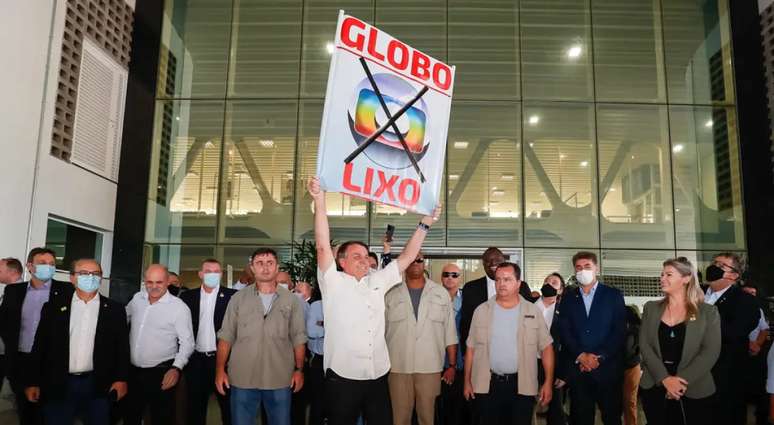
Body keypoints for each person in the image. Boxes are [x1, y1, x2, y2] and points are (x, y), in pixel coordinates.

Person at [308, 176, 439, 425]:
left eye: (366, 255)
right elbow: (323, 245)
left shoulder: (378, 280)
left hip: (378, 375)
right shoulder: (332, 282)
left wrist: (426, 221)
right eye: (355, 255)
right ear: (341, 261)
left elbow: (409, 256)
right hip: (343, 378)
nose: (363, 259)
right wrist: (320, 200)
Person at [24, 258, 129, 425]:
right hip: (59, 382)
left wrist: (121, 379)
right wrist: (32, 381)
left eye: (95, 273)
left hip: (98, 384)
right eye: (84, 273)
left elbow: (122, 348)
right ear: (72, 278)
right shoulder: (53, 307)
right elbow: (40, 346)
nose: (91, 277)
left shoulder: (115, 309)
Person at [215, 248, 307, 425]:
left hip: (280, 378)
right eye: (260, 263)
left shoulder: (291, 300)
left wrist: (299, 370)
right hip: (242, 378)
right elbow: (226, 337)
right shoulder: (238, 299)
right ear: (252, 268)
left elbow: (298, 338)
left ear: (277, 267)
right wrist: (220, 370)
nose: (265, 267)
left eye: (270, 263)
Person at [463, 262, 554, 425]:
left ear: (518, 283)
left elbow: (546, 347)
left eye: (507, 279)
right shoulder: (481, 310)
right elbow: (471, 348)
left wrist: (548, 382)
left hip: (522, 385)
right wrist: (467, 381)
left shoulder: (532, 311)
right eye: (498, 280)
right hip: (487, 385)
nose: (501, 284)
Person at [639, 257, 721, 425]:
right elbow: (645, 346)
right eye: (662, 274)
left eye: (668, 274)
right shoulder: (650, 308)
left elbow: (710, 351)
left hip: (695, 388)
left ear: (686, 278)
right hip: (654, 387)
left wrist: (679, 382)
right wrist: (665, 379)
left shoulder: (708, 312)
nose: (662, 278)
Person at [384, 251, 458, 425]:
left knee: (428, 418)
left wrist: (452, 365)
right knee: (399, 419)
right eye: (412, 260)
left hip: (430, 368)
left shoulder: (440, 294)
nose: (416, 263)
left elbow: (450, 332)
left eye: (420, 260)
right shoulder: (390, 294)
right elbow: (380, 332)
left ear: (424, 264)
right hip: (397, 367)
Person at [0, 247, 72, 425]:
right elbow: (4, 324)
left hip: (52, 362)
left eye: (52, 264)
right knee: (26, 412)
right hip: (21, 360)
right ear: (30, 266)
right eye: (42, 263)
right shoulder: (14, 292)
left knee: (51, 413)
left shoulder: (66, 291)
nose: (48, 267)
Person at [558, 251, 626, 425]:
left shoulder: (613, 295)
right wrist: (581, 356)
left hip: (608, 370)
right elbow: (565, 332)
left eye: (587, 266)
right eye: (578, 267)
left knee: (612, 417)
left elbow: (618, 331)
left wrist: (600, 357)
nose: (582, 270)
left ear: (597, 268)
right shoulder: (567, 298)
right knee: (580, 418)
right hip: (578, 372)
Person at [123, 264, 195, 425]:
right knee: (130, 416)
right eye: (149, 282)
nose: (154, 287)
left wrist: (176, 368)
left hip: (161, 373)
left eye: (159, 282)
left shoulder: (179, 308)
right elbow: (122, 320)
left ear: (168, 281)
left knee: (161, 418)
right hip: (133, 373)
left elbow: (188, 343)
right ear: (144, 281)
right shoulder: (137, 299)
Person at [704, 252, 759, 425]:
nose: (713, 267)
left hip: (725, 383)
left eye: (721, 266)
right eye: (714, 263)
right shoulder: (695, 295)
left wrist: (702, 314)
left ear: (734, 275)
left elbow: (733, 333)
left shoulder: (745, 301)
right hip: (691, 380)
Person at [179, 258, 237, 425]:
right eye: (208, 271)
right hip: (196, 360)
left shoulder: (233, 297)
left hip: (224, 361)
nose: (212, 275)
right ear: (200, 274)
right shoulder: (188, 297)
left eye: (216, 271)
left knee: (228, 408)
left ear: (221, 274)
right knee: (195, 408)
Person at [460, 247, 534, 360]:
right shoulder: (470, 288)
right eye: (488, 260)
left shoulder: (521, 286)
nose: (493, 262)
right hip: (480, 353)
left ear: (504, 261)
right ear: (483, 264)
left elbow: (529, 319)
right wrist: (465, 352)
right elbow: (466, 322)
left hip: (515, 351)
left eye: (497, 259)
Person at [535, 272, 567, 425]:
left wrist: (564, 373)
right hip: (529, 363)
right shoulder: (529, 305)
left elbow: (567, 342)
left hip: (554, 365)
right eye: (546, 281)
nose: (548, 284)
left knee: (555, 408)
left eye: (554, 282)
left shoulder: (565, 311)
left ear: (560, 290)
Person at [439, 263, 468, 425]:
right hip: (435, 362)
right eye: (446, 274)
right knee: (439, 408)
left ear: (460, 278)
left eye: (454, 275)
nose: (450, 278)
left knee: (457, 408)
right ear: (441, 277)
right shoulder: (432, 298)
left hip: (459, 363)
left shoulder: (466, 300)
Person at [742, 284, 770, 425]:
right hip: (740, 354)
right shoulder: (735, 310)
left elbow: (764, 329)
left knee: (761, 388)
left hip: (756, 352)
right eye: (747, 293)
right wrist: (749, 345)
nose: (751, 296)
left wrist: (757, 344)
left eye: (753, 293)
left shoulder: (758, 310)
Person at [0, 257, 24, 393]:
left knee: (18, 392)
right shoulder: (9, 291)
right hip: (4, 351)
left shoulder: (22, 293)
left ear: (12, 272)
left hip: (11, 353)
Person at [306, 295, 325, 425]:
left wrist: (323, 324)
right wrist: (334, 327)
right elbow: (312, 331)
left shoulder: (347, 303)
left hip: (342, 361)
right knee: (318, 403)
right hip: (320, 360)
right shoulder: (317, 305)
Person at [621, 305, 641, 425]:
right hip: (631, 367)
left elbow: (628, 350)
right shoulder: (638, 329)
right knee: (629, 402)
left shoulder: (634, 330)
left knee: (628, 402)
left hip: (629, 367)